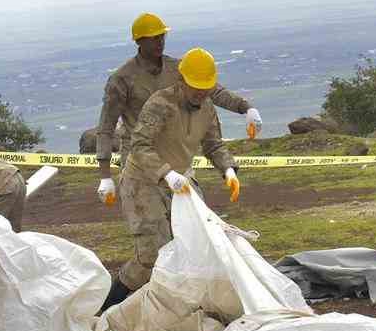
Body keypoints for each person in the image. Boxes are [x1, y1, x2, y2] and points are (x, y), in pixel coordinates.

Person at [102, 47, 241, 309]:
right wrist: (166, 173)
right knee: (153, 256)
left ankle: (180, 308)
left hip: (182, 183)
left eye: (206, 88)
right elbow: (140, 146)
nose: (201, 93)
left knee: (197, 244)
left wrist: (228, 169)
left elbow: (213, 145)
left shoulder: (207, 107)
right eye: (196, 87)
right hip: (143, 182)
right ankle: (107, 306)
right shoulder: (160, 104)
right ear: (182, 81)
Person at [95, 12, 259, 209]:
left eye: (162, 36)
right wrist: (105, 176)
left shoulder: (178, 69)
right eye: (154, 38)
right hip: (141, 162)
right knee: (154, 231)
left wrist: (246, 108)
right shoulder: (122, 79)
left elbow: (213, 90)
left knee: (193, 225)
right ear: (139, 41)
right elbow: (106, 126)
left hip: (176, 157)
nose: (160, 42)